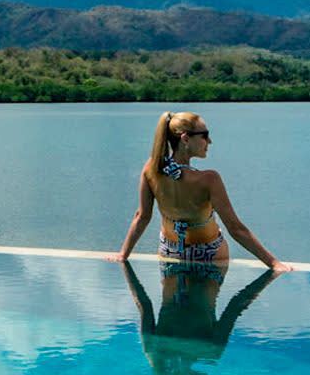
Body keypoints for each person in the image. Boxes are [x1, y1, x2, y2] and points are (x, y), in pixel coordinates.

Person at [112, 110, 289, 271]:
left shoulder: (152, 168)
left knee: (170, 307)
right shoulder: (209, 179)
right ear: (185, 139)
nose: (209, 141)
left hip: (169, 251)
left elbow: (141, 217)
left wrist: (123, 255)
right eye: (205, 136)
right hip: (209, 255)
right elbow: (236, 229)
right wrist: (274, 263)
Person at [124, 261, 278, 375]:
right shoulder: (156, 351)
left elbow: (237, 305)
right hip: (172, 259)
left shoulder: (211, 351)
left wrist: (270, 276)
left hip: (210, 264)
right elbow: (143, 303)